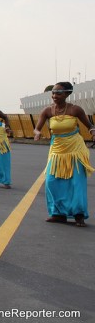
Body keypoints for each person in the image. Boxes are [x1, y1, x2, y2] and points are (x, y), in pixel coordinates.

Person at [34, 82, 95, 227]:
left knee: (76, 183)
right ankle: (58, 214)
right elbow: (37, 128)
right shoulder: (47, 111)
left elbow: (90, 126)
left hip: (75, 150)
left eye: (59, 93)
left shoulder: (75, 110)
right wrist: (37, 134)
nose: (54, 96)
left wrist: (93, 131)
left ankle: (79, 215)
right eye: (53, 93)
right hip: (57, 150)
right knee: (51, 181)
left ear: (67, 94)